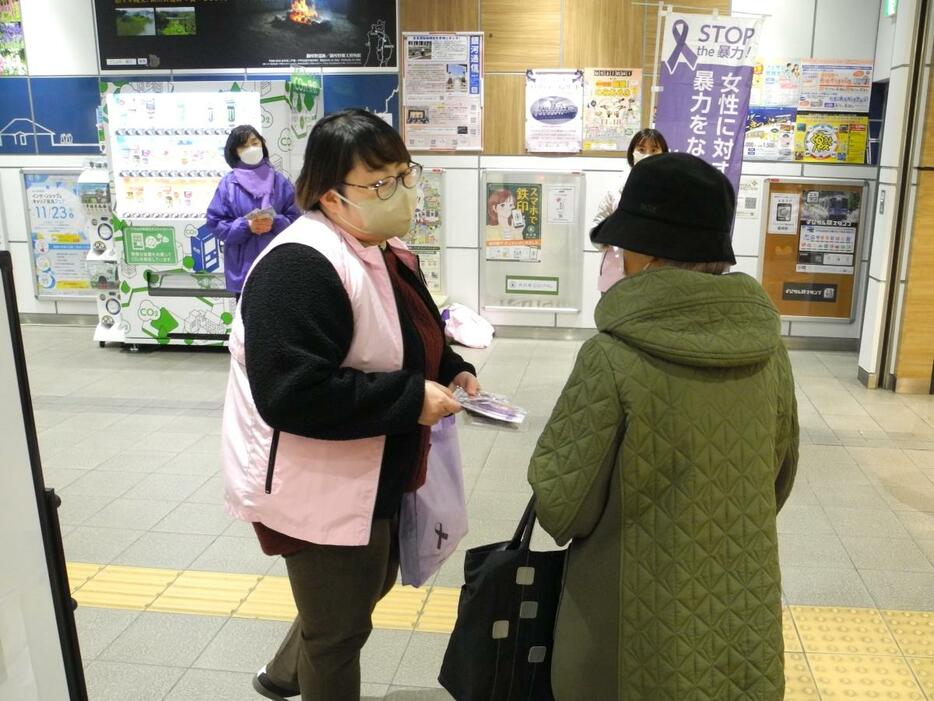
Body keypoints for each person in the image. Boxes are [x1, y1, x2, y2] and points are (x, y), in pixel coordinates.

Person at [220, 108, 479, 701]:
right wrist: (410, 397)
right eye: (379, 183)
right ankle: (301, 670)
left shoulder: (381, 248)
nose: (399, 193)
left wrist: (451, 368)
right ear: (331, 194)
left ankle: (282, 672)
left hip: (373, 468)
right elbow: (291, 391)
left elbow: (408, 330)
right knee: (341, 631)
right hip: (316, 482)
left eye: (403, 175)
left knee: (364, 589)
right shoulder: (299, 265)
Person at [529, 153, 799, 701]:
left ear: (646, 252)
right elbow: (778, 478)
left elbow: (563, 505)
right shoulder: (770, 353)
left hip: (632, 616)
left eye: (622, 246)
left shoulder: (610, 357)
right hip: (739, 609)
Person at [206, 125, 302, 297]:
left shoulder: (279, 181)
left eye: (254, 142)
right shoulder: (228, 185)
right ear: (235, 151)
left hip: (278, 266)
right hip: (243, 269)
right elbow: (215, 222)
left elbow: (297, 219)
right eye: (243, 146)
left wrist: (276, 222)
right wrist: (246, 226)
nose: (251, 149)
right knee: (246, 321)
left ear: (262, 145)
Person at [592, 128, 669, 294]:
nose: (647, 154)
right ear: (632, 153)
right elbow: (596, 230)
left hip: (656, 275)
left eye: (654, 150)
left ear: (664, 154)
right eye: (641, 150)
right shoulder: (615, 190)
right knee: (613, 319)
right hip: (615, 273)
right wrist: (614, 232)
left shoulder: (671, 191)